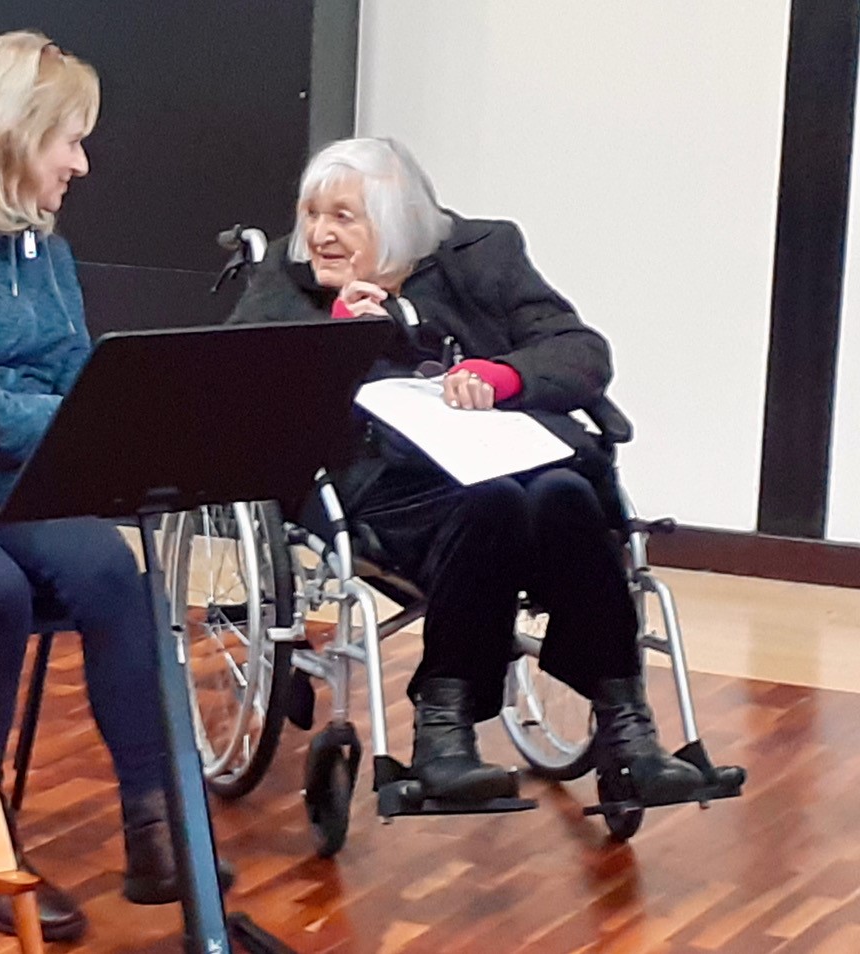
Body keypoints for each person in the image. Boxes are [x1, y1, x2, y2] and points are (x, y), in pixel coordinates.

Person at [0, 31, 230, 942]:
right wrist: (48, 413)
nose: (82, 162)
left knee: (112, 573)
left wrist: (54, 412)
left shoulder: (38, 247)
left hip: (3, 485)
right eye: (71, 138)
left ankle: (154, 824)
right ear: (17, 135)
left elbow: (70, 374)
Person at [229, 137, 707, 811]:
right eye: (313, 214)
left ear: (397, 225)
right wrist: (340, 335)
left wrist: (505, 374)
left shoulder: (484, 256)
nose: (319, 234)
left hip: (504, 458)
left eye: (344, 217)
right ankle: (442, 735)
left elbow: (579, 349)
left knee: (567, 493)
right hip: (379, 487)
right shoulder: (289, 277)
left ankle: (628, 733)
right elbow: (237, 379)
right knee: (495, 506)